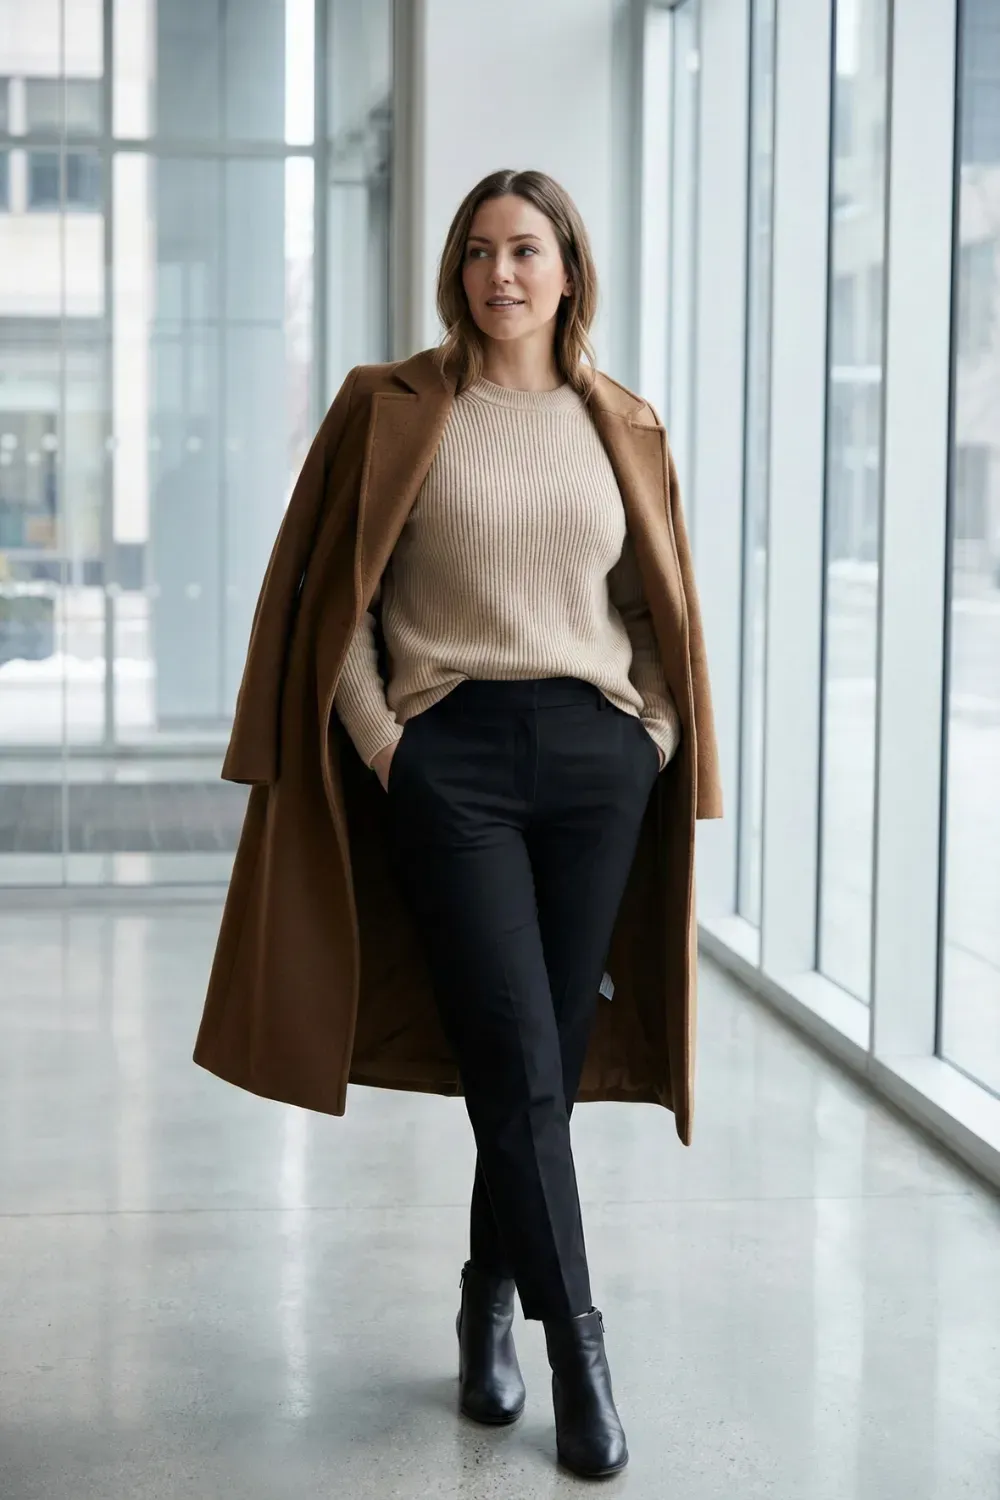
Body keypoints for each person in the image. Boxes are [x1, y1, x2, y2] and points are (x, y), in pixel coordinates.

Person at [193, 168, 721, 1480]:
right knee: (516, 1050)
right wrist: (386, 744)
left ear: (567, 269)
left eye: (526, 250)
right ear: (456, 270)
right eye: (480, 251)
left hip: (597, 766)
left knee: (533, 1060)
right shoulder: (392, 409)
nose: (502, 274)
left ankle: (489, 1297)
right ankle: (577, 1352)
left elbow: (658, 613)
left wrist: (650, 736)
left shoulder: (624, 424)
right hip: (454, 768)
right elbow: (338, 601)